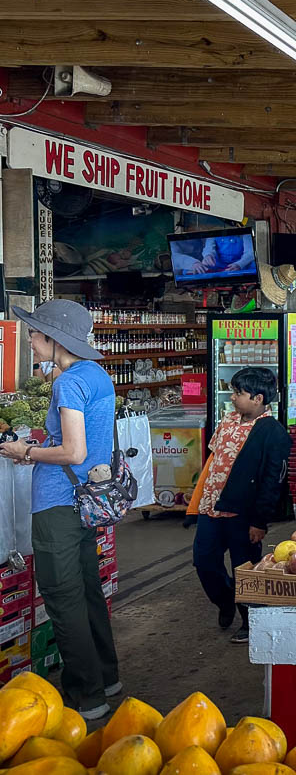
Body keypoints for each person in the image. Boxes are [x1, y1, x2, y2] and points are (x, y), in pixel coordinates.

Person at [2, 300, 120, 720]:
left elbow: (74, 450)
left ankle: (86, 697)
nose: (30, 341)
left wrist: (26, 450)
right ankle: (107, 676)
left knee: (63, 598)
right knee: (87, 591)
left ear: (54, 339)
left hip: (59, 504)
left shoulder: (68, 383)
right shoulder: (97, 375)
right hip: (86, 501)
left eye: (34, 334)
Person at [193, 367, 291, 645]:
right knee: (204, 561)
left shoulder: (273, 433)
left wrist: (259, 522)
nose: (233, 397)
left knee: (245, 571)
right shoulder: (227, 420)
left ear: (258, 398)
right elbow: (214, 461)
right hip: (211, 508)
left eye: (239, 393)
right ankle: (225, 601)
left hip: (243, 515)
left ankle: (250, 621)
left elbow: (273, 482)